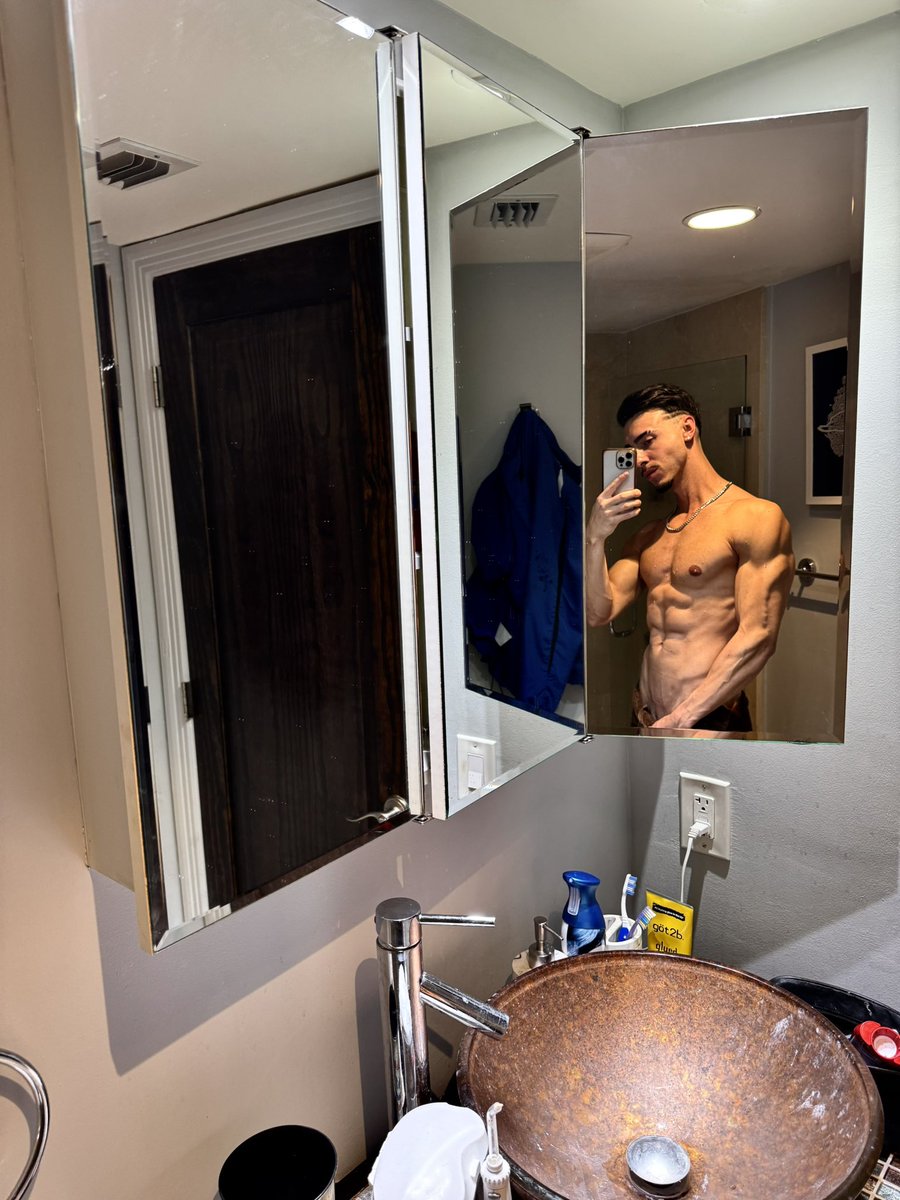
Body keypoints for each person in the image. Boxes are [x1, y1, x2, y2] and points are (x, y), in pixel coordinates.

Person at [585, 384, 794, 732]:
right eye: (632, 450)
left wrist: (682, 717)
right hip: (644, 712)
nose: (639, 459)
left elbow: (758, 636)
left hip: (707, 718)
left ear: (687, 428)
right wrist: (594, 537)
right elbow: (597, 613)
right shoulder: (648, 536)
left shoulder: (755, 517)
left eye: (647, 441)